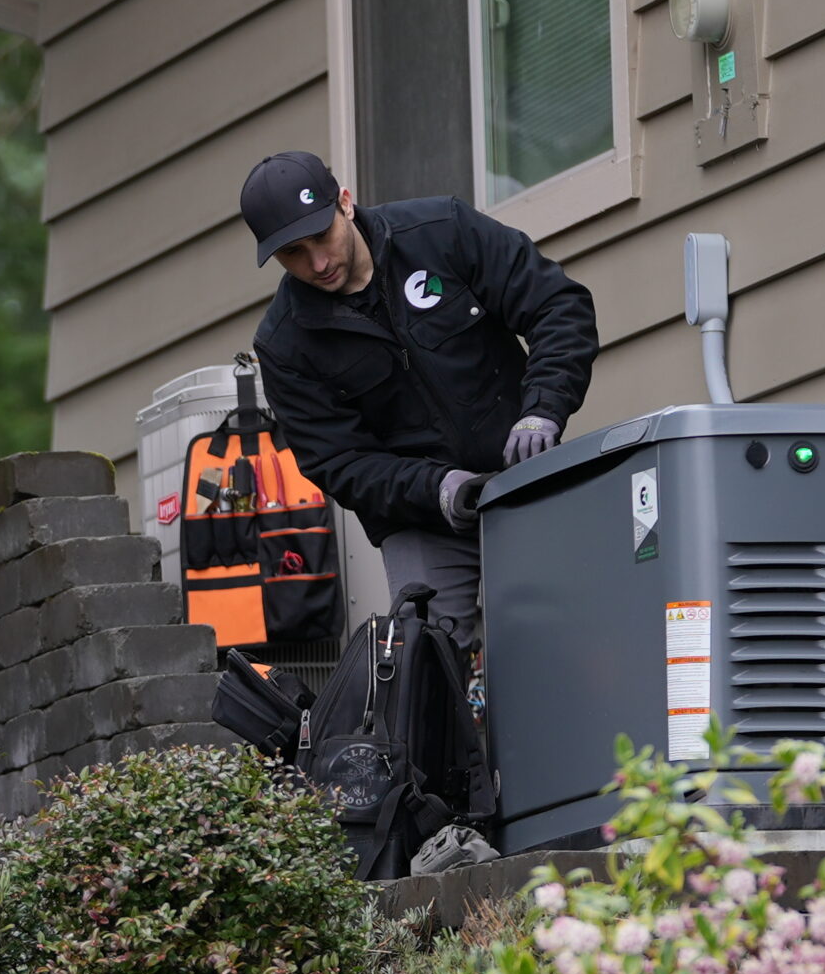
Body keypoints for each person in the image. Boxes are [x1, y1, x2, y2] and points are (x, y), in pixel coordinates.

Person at [244, 150, 597, 654]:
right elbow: (338, 461)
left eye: (322, 237)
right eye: (294, 253)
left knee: (566, 637)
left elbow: (557, 306)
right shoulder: (284, 343)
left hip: (525, 475)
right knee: (422, 659)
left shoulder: (442, 230)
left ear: (345, 202)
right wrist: (437, 488)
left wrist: (542, 408)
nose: (317, 263)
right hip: (421, 515)